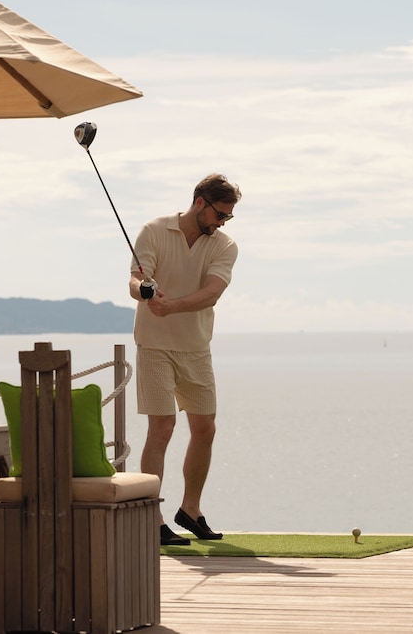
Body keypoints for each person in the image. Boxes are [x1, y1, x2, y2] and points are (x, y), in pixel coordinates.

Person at [129, 173, 241, 546]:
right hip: (154, 346)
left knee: (205, 429)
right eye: (220, 214)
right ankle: (151, 516)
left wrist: (172, 306)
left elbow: (211, 293)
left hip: (196, 347)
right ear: (199, 203)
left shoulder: (225, 245)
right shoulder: (154, 230)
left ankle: (190, 510)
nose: (223, 222)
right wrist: (146, 292)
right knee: (162, 428)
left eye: (228, 216)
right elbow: (135, 281)